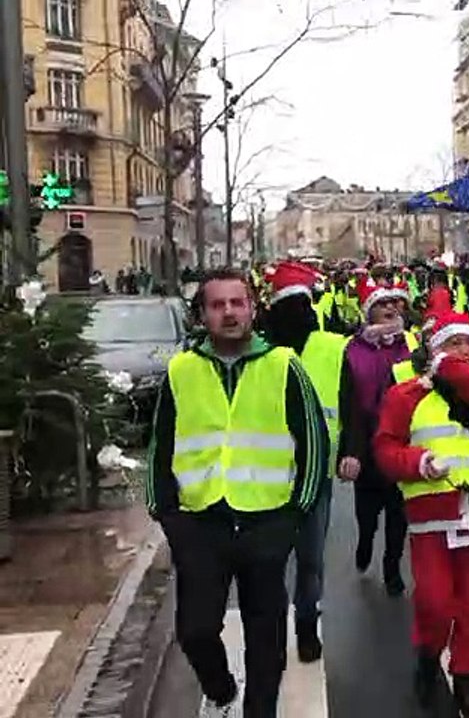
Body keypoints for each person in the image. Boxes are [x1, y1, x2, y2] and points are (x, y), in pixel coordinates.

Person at [144, 268, 329, 717]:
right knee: (195, 631)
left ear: (252, 309)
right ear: (203, 314)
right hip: (201, 519)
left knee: (265, 634)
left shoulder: (284, 365)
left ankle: (260, 711)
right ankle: (222, 688)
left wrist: (296, 511)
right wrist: (165, 511)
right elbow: (160, 444)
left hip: (267, 519)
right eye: (217, 305)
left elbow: (314, 442)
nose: (228, 313)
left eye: (237, 303)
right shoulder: (182, 370)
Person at [374, 311, 469, 716]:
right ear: (434, 350)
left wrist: (459, 376)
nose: (463, 351)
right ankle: (427, 655)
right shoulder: (407, 396)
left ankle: (465, 680)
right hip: (431, 514)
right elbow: (385, 451)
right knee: (435, 602)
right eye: (452, 344)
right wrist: (418, 463)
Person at [262, 262, 360, 663]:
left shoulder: (333, 347)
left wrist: (351, 450)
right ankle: (268, 628)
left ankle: (306, 624)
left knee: (311, 556)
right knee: (267, 560)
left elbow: (351, 401)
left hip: (316, 470)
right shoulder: (260, 350)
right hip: (266, 471)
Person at [344, 276, 414, 595]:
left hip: (401, 443)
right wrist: (352, 452)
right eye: (381, 304)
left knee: (399, 513)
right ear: (368, 312)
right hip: (368, 443)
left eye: (393, 303)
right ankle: (365, 542)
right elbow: (350, 405)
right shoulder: (353, 351)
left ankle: (392, 566)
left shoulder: (412, 346)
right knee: (367, 514)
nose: (390, 308)